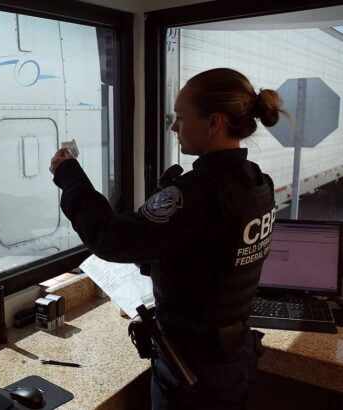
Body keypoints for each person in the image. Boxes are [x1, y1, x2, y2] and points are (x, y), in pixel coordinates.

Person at [50, 68, 287, 409]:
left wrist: (69, 177)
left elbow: (110, 238)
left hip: (192, 373)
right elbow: (203, 257)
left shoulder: (198, 195)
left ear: (213, 122)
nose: (174, 127)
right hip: (233, 362)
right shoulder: (257, 183)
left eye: (180, 117)